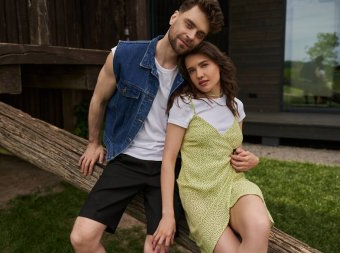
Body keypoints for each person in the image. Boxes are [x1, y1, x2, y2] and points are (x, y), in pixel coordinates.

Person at [70, 1, 224, 253]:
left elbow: (215, 112)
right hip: (125, 160)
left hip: (169, 169)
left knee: (156, 248)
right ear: (175, 17)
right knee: (81, 238)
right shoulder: (123, 55)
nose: (191, 37)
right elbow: (99, 99)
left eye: (200, 35)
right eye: (189, 24)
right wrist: (93, 142)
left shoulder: (192, 75)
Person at [152, 41, 273, 253]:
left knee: (260, 226)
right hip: (199, 194)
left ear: (218, 64)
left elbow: (236, 151)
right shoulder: (184, 104)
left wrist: (252, 160)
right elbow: (168, 161)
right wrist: (168, 214)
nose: (199, 74)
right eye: (192, 70)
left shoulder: (236, 106)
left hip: (233, 184)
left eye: (204, 64)